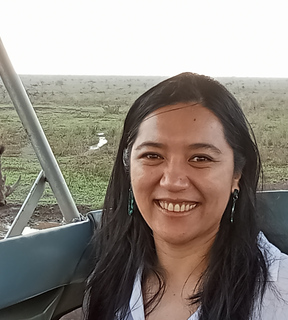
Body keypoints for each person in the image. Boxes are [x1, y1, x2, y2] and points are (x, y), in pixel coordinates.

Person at [84, 72, 288, 320]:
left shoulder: (279, 294)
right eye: (152, 155)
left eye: (200, 158)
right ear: (128, 169)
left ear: (237, 175)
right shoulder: (107, 280)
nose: (172, 181)